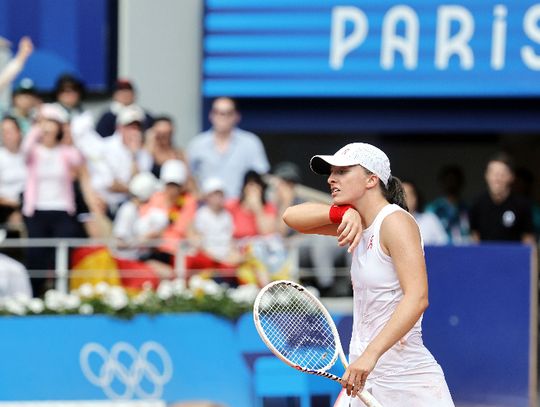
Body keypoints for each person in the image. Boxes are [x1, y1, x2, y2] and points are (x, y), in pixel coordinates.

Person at [282, 142, 454, 405]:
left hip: (407, 381)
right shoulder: (358, 222)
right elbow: (291, 217)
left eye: (342, 171)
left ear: (371, 179)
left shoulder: (395, 222)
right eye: (331, 172)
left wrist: (370, 356)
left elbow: (417, 298)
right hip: (364, 377)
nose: (331, 178)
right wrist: (341, 211)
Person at [187, 97, 270, 198]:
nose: (222, 117)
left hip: (240, 207)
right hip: (206, 207)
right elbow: (188, 176)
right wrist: (198, 195)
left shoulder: (251, 142)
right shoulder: (197, 144)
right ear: (211, 115)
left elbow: (260, 175)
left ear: (236, 116)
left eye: (228, 113)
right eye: (218, 112)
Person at [469, 153, 535, 244]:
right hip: (485, 256)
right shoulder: (477, 203)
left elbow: (528, 239)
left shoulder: (522, 205)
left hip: (513, 257)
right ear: (486, 175)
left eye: (502, 174)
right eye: (493, 173)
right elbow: (474, 237)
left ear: (511, 177)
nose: (497, 179)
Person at [426, 165, 470, 244]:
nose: (452, 183)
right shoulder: (433, 209)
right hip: (441, 253)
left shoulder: (467, 209)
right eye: (448, 180)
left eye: (455, 179)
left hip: (464, 252)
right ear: (442, 182)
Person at [402, 180, 448, 246]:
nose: (403, 199)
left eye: (406, 195)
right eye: (400, 196)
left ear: (415, 198)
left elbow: (445, 245)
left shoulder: (429, 220)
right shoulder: (389, 222)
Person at [0, 116, 26, 229]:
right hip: (4, 207)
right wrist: (13, 206)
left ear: (19, 132)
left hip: (28, 205)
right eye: (4, 131)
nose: (7, 135)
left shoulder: (29, 155)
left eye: (10, 131)